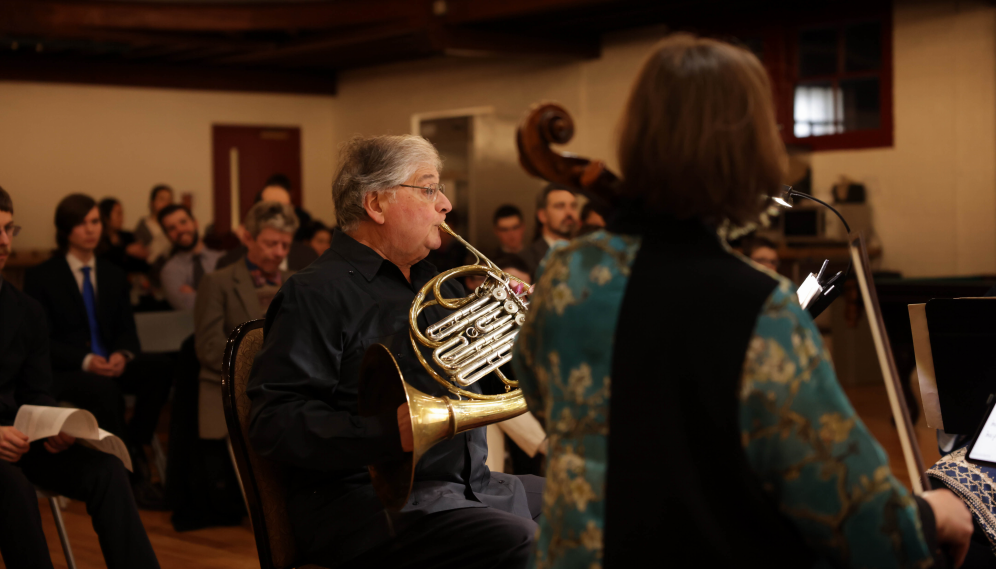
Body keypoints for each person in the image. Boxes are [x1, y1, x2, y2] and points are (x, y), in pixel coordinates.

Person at [512, 34, 973, 569]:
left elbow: (544, 399)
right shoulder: (760, 307)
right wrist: (934, 513)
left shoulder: (568, 275)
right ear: (748, 149)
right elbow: (855, 514)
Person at [247, 135, 542, 569]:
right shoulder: (315, 293)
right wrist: (386, 433)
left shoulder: (442, 285)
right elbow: (273, 422)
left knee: (597, 501)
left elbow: (488, 381)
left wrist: (532, 335)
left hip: (468, 487)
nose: (445, 204)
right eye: (428, 188)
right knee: (527, 543)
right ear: (377, 204)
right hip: (367, 505)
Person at [0, 185, 161, 568]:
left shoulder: (25, 310)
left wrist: (52, 424)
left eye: (9, 230)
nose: (4, 241)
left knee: (107, 470)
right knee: (12, 485)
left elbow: (37, 390)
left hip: (21, 438)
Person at [24, 194, 174, 509]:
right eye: (81, 224)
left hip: (110, 363)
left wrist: (123, 354)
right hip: (68, 370)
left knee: (160, 367)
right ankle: (133, 477)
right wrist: (86, 360)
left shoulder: (112, 273)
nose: (90, 230)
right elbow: (41, 341)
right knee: (104, 390)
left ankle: (135, 442)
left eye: (95, 222)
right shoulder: (42, 276)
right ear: (65, 230)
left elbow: (128, 332)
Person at [195, 201, 297, 440]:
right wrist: (270, 358)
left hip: (287, 397)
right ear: (248, 239)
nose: (280, 253)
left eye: (285, 245)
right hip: (230, 393)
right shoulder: (218, 282)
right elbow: (208, 348)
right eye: (271, 244)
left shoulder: (296, 282)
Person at [215, 179, 318, 271]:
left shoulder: (309, 257)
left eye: (286, 208)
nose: (281, 216)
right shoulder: (228, 263)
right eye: (273, 210)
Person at [158, 204, 225, 311]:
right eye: (172, 228)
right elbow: (190, 308)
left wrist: (196, 295)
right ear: (167, 236)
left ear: (195, 223)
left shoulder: (223, 258)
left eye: (183, 222)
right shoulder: (169, 271)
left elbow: (236, 301)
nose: (180, 230)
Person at [519, 184, 578, 277]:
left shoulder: (587, 254)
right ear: (542, 215)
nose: (569, 213)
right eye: (560, 206)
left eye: (573, 206)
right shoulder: (525, 260)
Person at [97, 197, 150, 274]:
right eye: (118, 214)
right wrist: (126, 250)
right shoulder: (98, 239)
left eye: (122, 214)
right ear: (105, 217)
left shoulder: (128, 236)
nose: (122, 218)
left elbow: (142, 265)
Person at [134, 184, 174, 265]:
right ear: (152, 202)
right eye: (162, 199)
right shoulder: (144, 225)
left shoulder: (175, 225)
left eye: (169, 200)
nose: (167, 203)